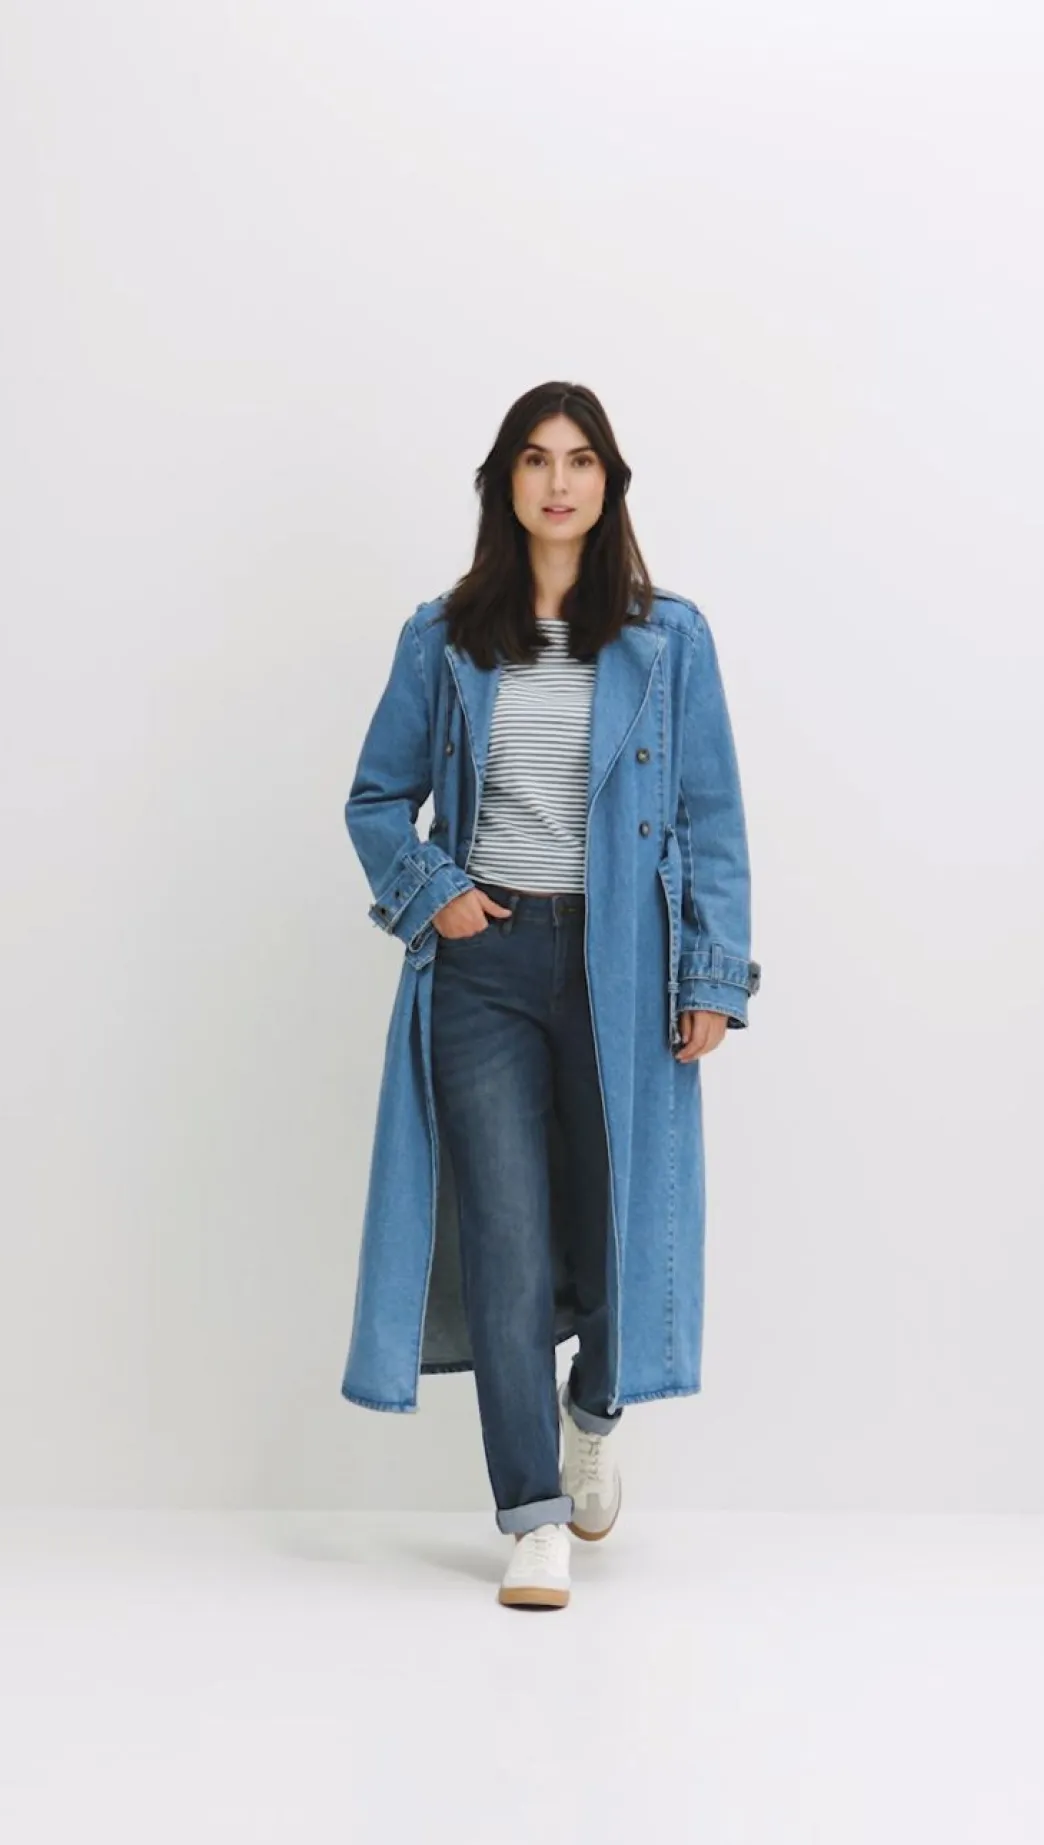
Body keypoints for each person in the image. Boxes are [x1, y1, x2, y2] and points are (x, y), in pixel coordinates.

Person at [343, 381, 760, 1610]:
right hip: (485, 966)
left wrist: (709, 975)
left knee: (622, 1222)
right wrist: (435, 893)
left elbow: (710, 819)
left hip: (620, 964)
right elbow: (376, 799)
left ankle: (593, 1416)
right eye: (535, 459)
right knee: (506, 1239)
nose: (558, 481)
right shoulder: (443, 635)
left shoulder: (666, 639)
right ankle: (528, 1513)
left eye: (579, 460)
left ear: (607, 483)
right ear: (505, 484)